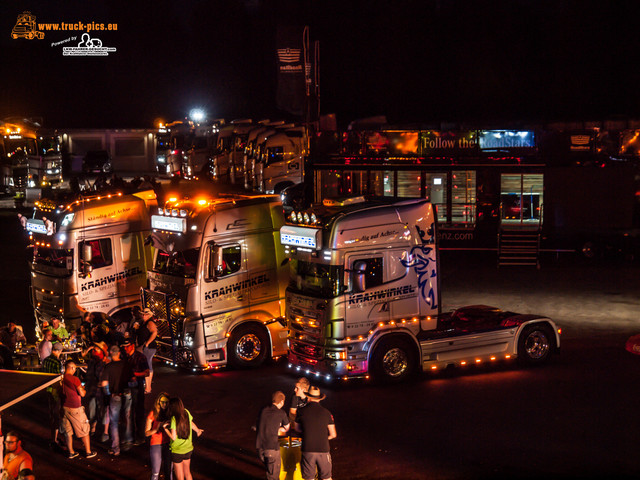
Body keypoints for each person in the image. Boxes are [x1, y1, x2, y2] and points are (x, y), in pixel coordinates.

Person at [294, 386, 337, 480]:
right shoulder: (327, 413)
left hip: (307, 449)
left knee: (309, 478)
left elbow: (297, 429)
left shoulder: (300, 411)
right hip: (323, 449)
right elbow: (333, 434)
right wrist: (324, 438)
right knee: (326, 477)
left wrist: (307, 433)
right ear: (319, 399)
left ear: (308, 397)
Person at [99, 345, 131, 456]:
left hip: (115, 396)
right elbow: (133, 379)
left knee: (114, 422)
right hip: (127, 394)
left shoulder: (108, 367)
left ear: (110, 354)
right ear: (119, 353)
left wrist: (107, 394)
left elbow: (104, 384)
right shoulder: (126, 364)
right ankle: (127, 441)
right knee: (127, 418)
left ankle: (116, 448)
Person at [60, 362, 97, 459]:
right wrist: (83, 389)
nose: (75, 370)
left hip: (64, 407)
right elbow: (82, 393)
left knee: (68, 431)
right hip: (75, 408)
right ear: (72, 368)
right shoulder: (74, 379)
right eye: (75, 368)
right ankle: (88, 452)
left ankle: (71, 452)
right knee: (84, 430)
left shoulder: (61, 377)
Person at [163, 397, 203, 480]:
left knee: (180, 477)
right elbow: (191, 423)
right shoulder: (186, 412)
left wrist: (165, 429)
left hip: (177, 451)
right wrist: (197, 430)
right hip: (188, 449)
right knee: (187, 473)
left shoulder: (174, 418)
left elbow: (173, 437)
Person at [256, 391, 290, 480]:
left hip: (260, 448)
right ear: (282, 401)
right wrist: (279, 428)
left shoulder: (263, 410)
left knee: (269, 471)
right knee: (273, 477)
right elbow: (287, 427)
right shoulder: (281, 413)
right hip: (271, 448)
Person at [122, 339, 149, 445]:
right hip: (127, 388)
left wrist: (135, 374)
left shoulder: (140, 357)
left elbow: (147, 372)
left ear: (132, 346)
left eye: (127, 346)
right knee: (128, 413)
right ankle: (131, 435)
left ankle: (140, 436)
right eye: (124, 347)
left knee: (138, 412)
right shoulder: (125, 357)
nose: (125, 348)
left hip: (137, 388)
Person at [42, 342, 65, 449]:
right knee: (56, 415)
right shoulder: (57, 362)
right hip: (55, 391)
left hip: (47, 389)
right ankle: (54, 440)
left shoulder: (45, 360)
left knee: (52, 414)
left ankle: (53, 437)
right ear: (59, 351)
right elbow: (58, 379)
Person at [145, 392, 172, 480]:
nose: (164, 404)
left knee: (169, 472)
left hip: (168, 443)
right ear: (158, 402)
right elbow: (146, 433)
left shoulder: (171, 413)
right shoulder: (153, 413)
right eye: (162, 402)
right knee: (156, 472)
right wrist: (156, 429)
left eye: (166, 402)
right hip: (156, 443)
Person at [137, 308, 158, 394]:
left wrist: (147, 343)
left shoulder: (150, 322)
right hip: (146, 347)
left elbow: (154, 332)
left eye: (145, 314)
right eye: (142, 314)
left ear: (149, 315)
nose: (143, 315)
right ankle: (147, 386)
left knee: (147, 366)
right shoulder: (144, 323)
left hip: (149, 348)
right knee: (146, 366)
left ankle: (148, 388)